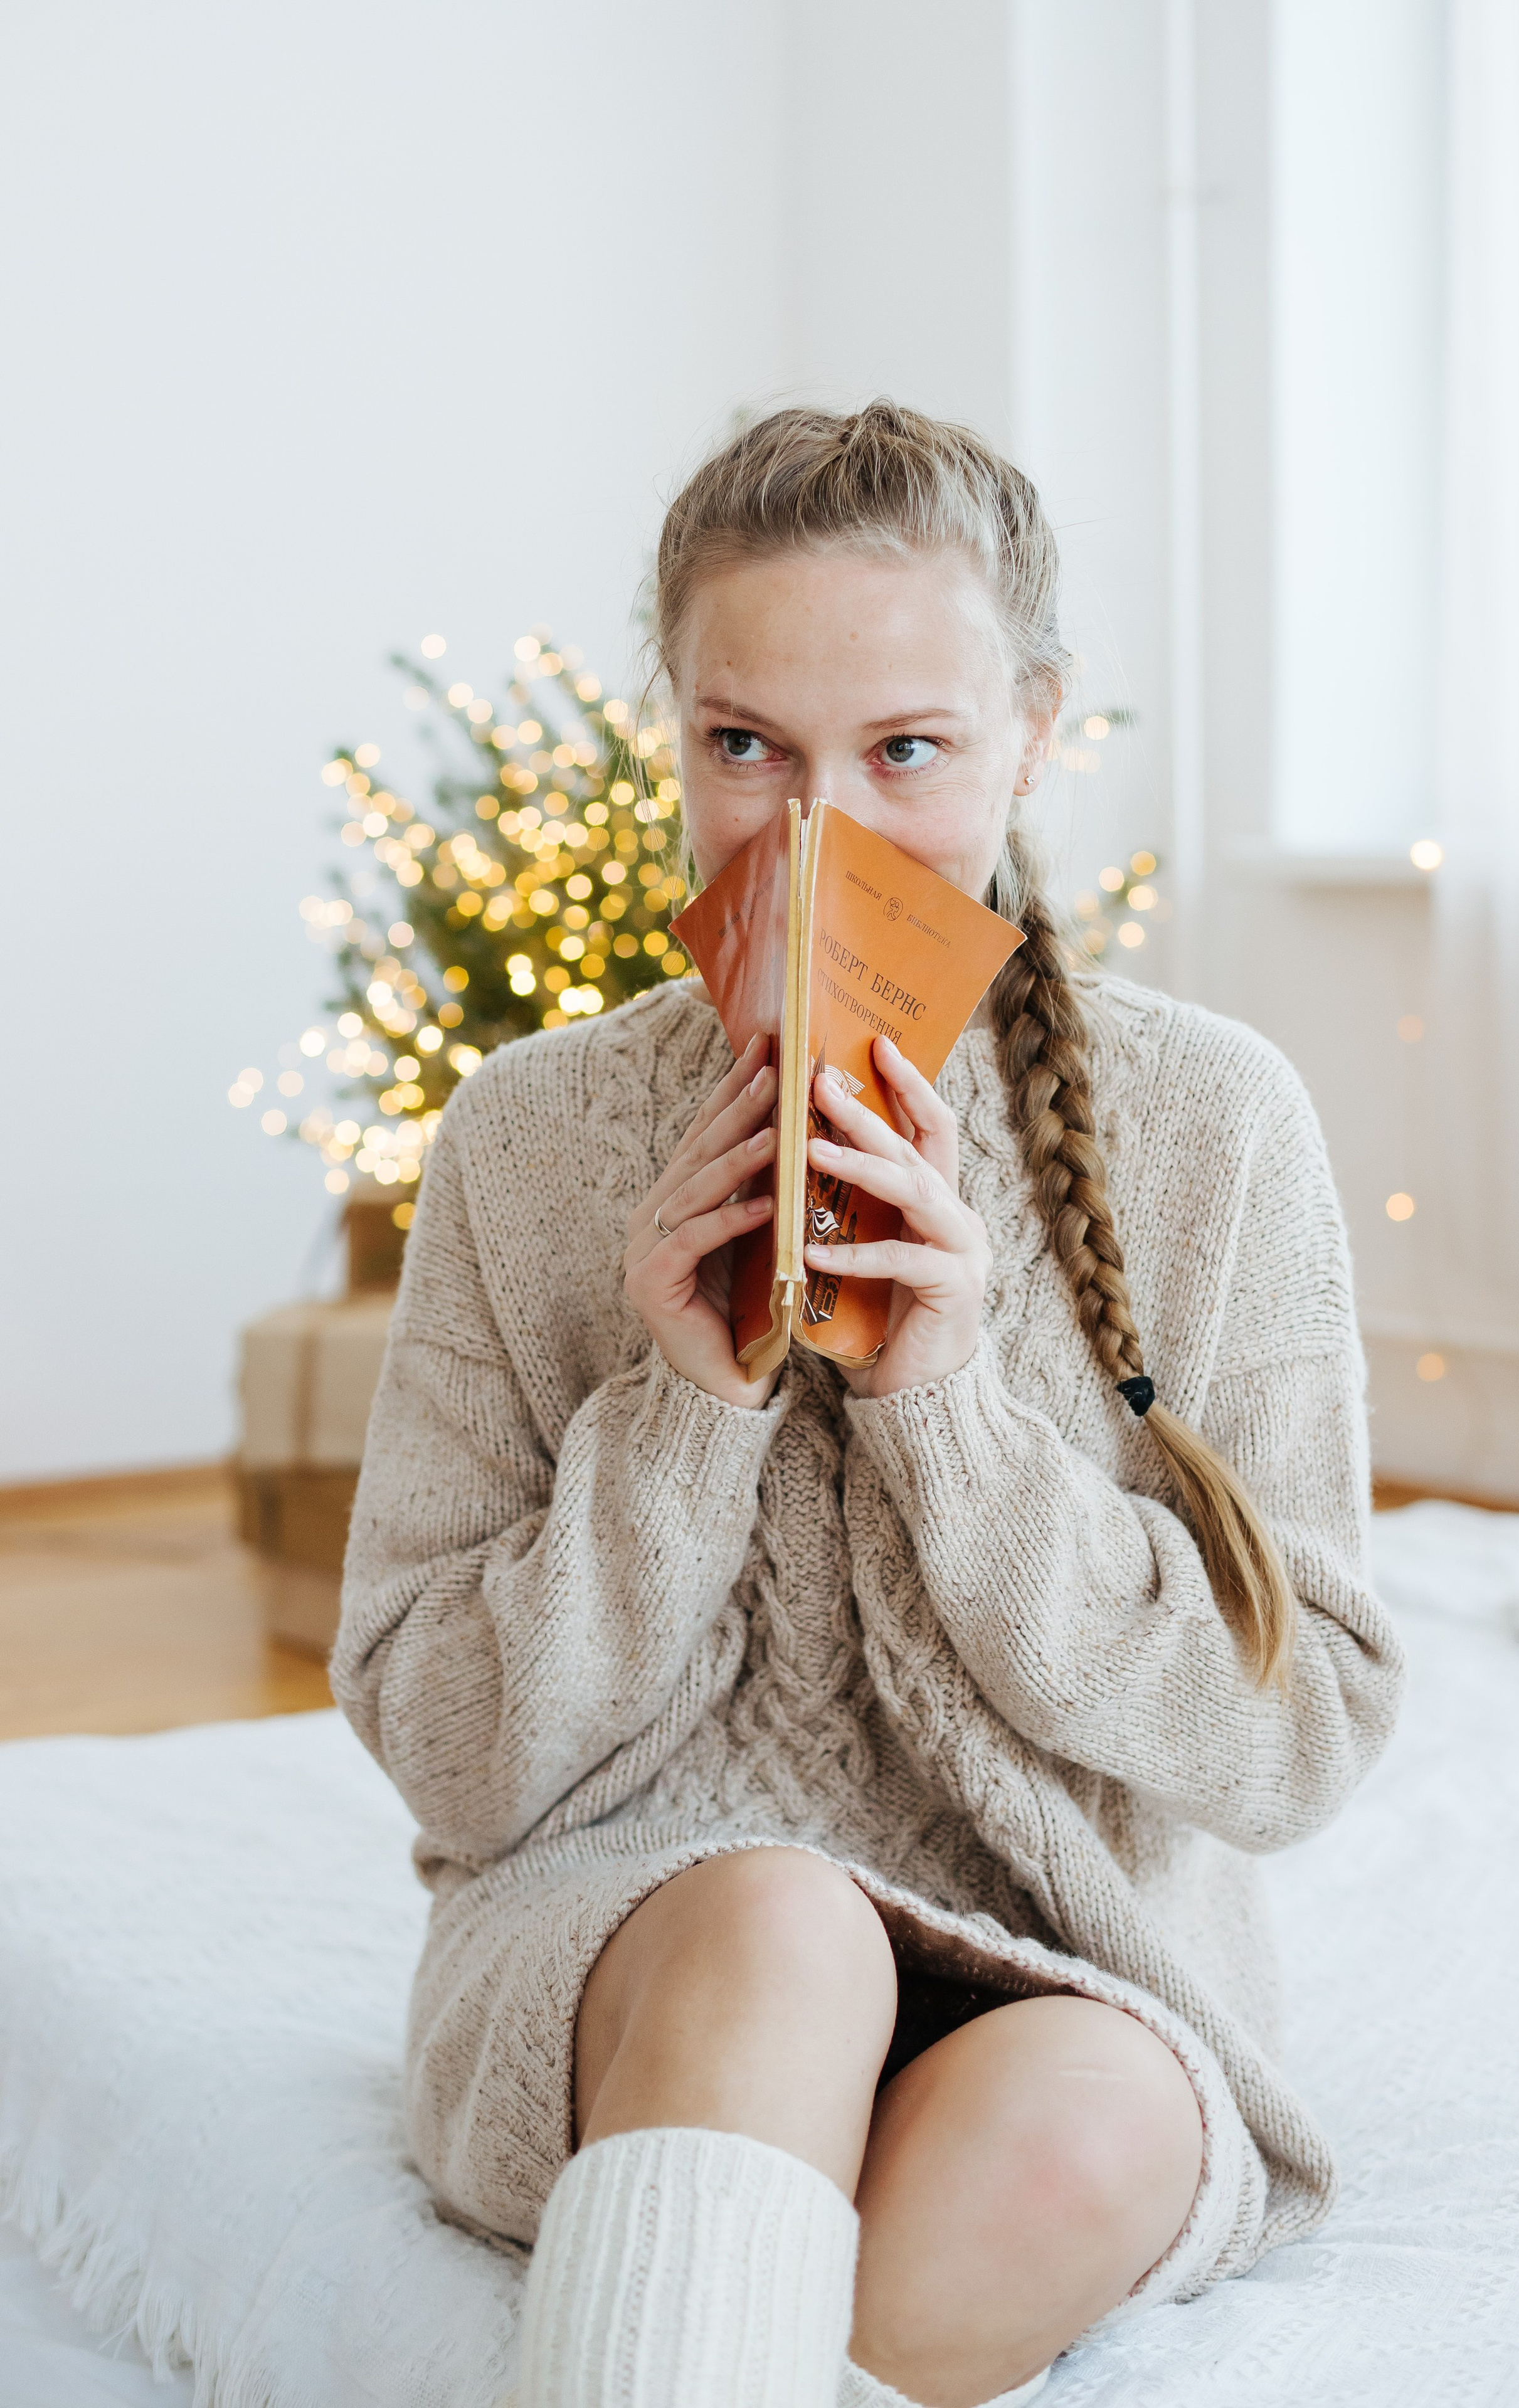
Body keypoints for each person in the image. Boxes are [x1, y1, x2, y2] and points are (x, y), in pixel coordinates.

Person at [332, 402, 1404, 2408]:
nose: (815, 836)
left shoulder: (1214, 1127)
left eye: (905, 750)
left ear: (1036, 732)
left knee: (1088, 2123)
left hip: (1071, 1955)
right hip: (633, 1946)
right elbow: (455, 1759)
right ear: (675, 731)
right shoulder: (530, 1139)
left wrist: (954, 1412)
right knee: (784, 1928)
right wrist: (676, 1408)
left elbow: (1296, 1743)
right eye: (747, 748)